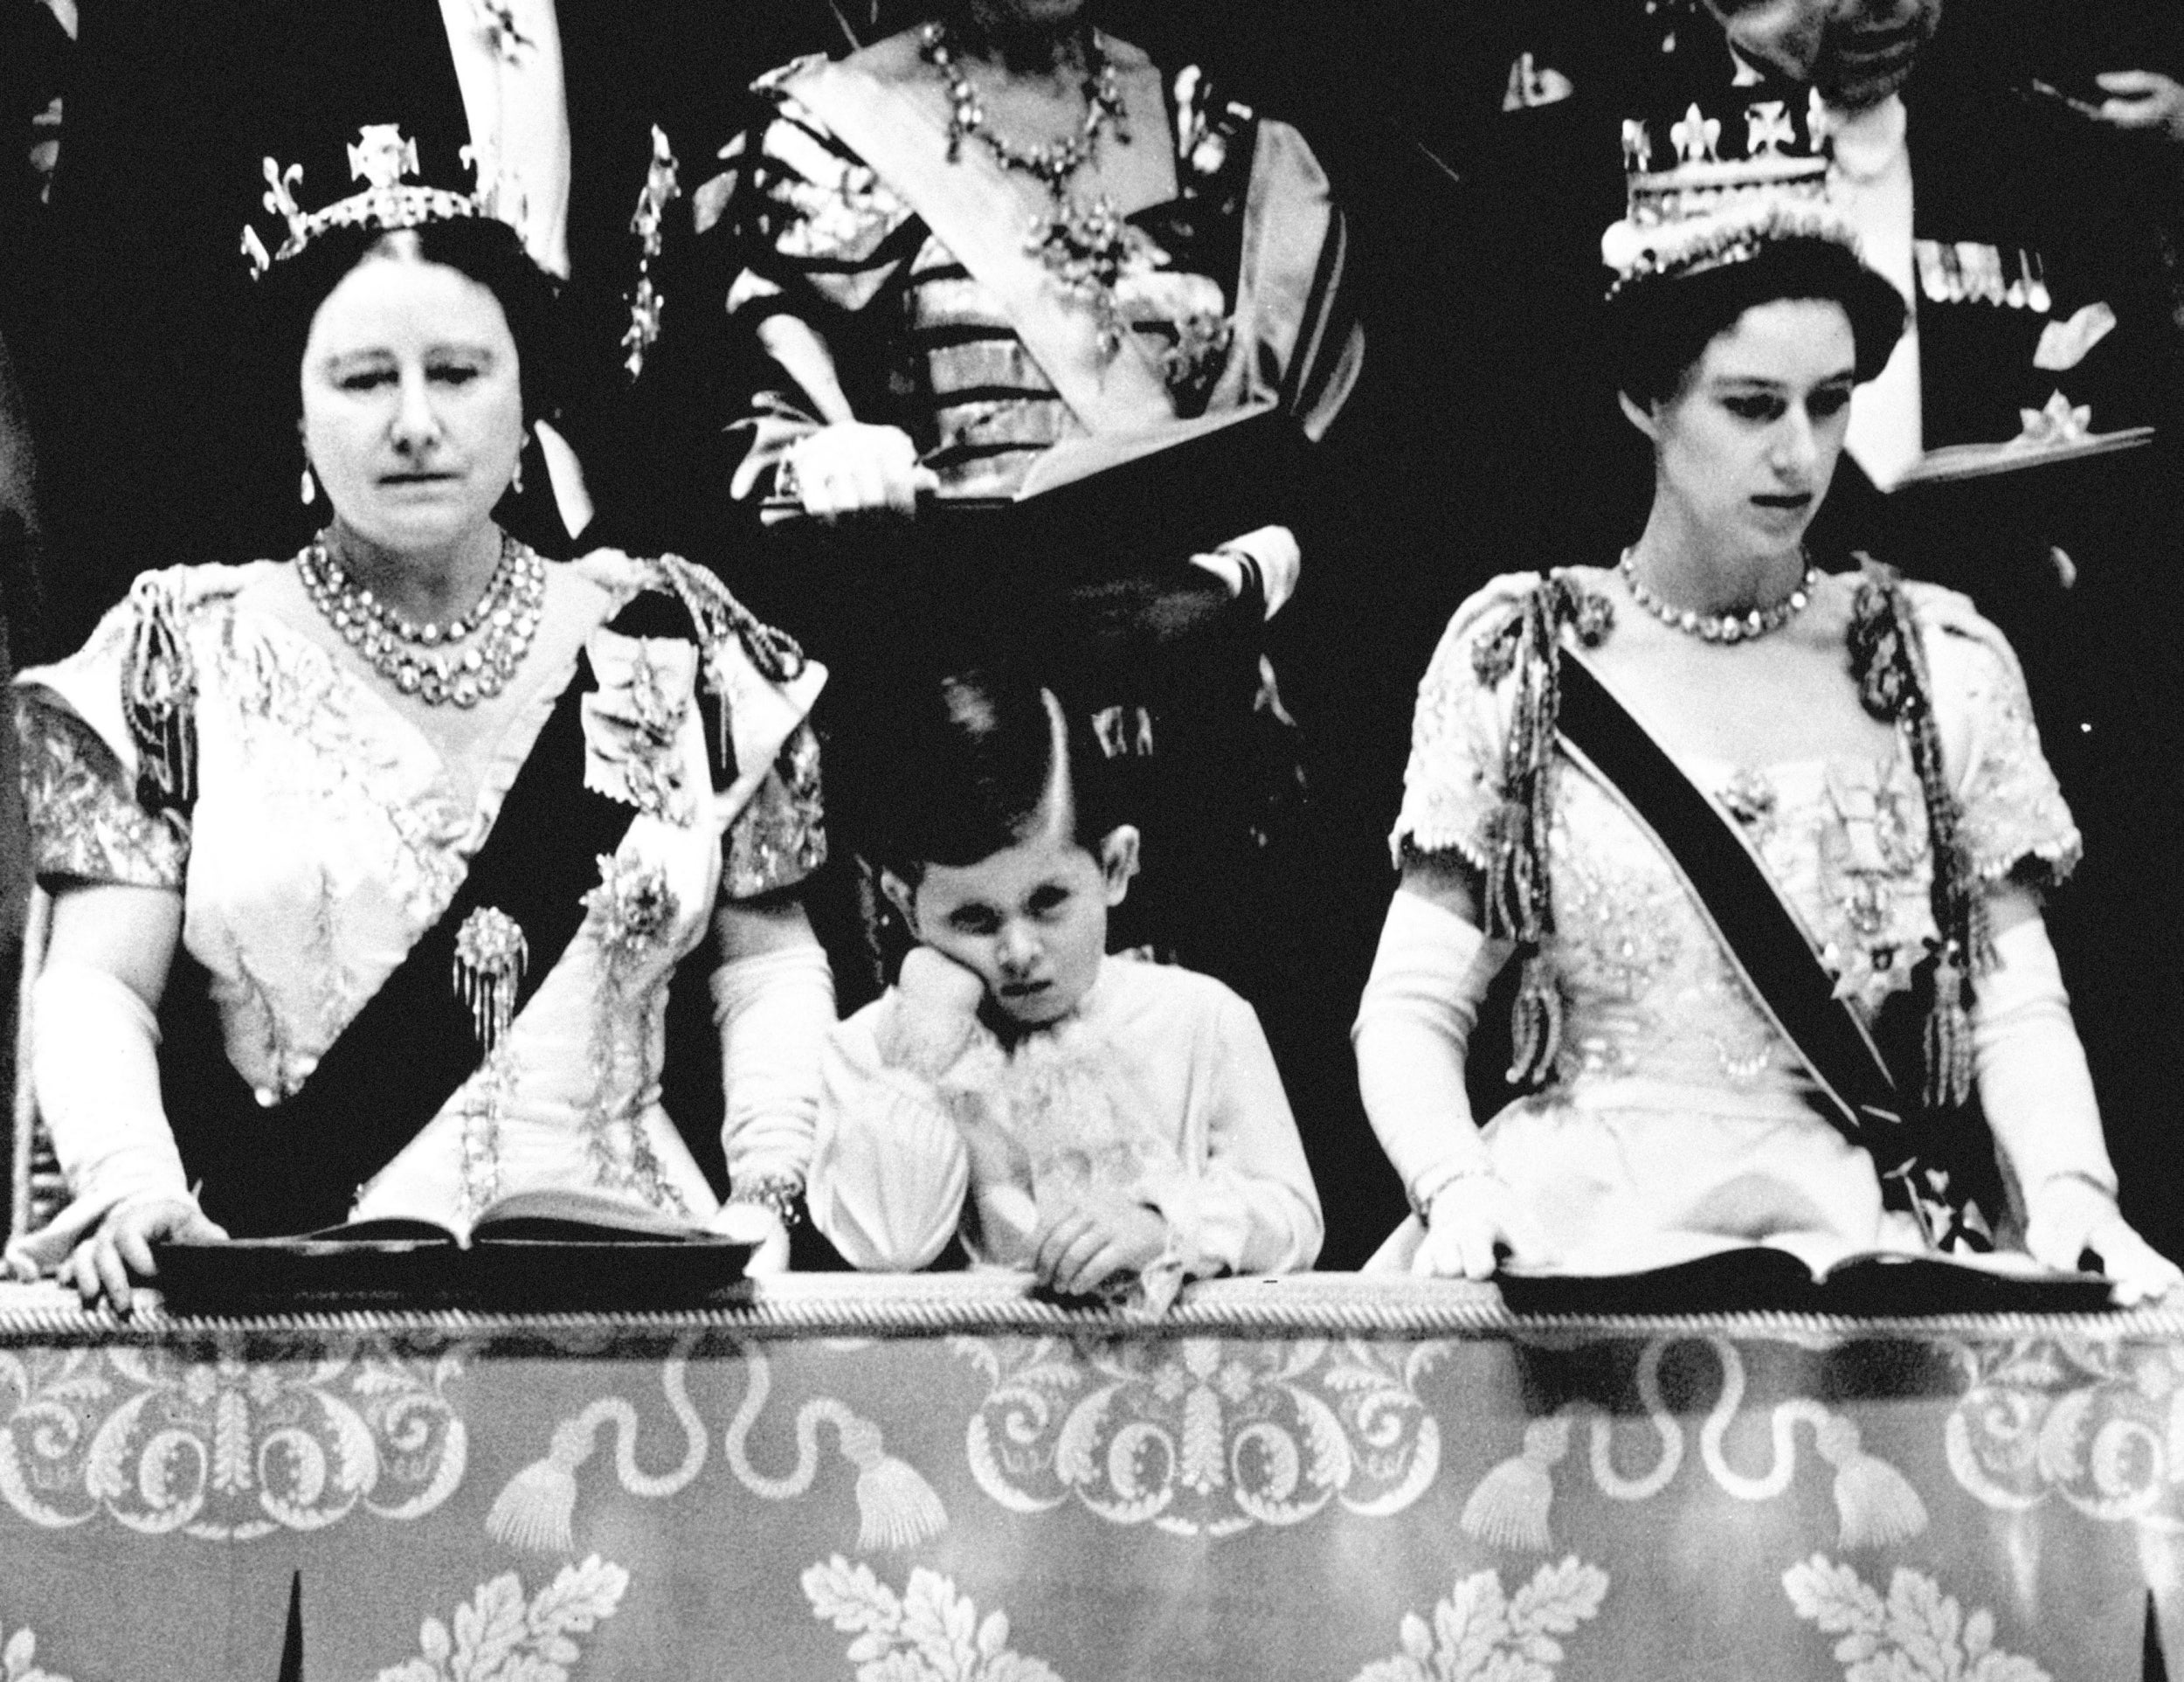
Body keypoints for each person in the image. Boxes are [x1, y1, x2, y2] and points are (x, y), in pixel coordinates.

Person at [5, 133, 834, 1309]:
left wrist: (768, 1192)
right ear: (294, 412)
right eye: (360, 379)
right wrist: (139, 1190)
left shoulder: (672, 642)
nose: (413, 422)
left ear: (528, 394)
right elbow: (99, 987)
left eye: (455, 373)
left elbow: (768, 972)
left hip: (651, 1301)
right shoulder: (180, 657)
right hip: (299, 1289)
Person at [1352, 149, 2181, 1302]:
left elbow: (2014, 1001)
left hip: (1849, 1253)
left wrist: (2074, 1193)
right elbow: (1409, 1006)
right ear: (1648, 399)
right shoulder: (1525, 661)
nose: (1800, 453)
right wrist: (1455, 1184)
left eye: (1830, 403)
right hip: (1573, 1246)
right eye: (1750, 406)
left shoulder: (1935, 669)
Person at [688, 0, 1361, 996]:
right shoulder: (824, 136)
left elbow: (1312, 467)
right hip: (969, 758)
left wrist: (1232, 584)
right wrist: (833, 464)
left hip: (1203, 744)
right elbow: (751, 447)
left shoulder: (1215, 135)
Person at [807, 667, 1322, 1309]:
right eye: (974, 919)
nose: (1018, 951)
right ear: (906, 906)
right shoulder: (867, 1052)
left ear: (1114, 866)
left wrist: (1166, 1226)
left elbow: (1295, 1220)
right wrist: (921, 1049)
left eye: (1048, 901)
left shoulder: (1199, 1017)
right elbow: (891, 1244)